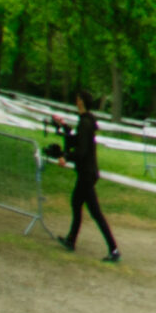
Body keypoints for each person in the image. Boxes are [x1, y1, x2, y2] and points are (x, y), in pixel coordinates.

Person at [51, 92, 119, 262]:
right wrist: (65, 128)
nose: (76, 101)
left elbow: (81, 150)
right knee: (77, 203)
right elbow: (76, 141)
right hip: (87, 172)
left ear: (81, 102)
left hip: (86, 173)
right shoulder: (85, 122)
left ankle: (113, 249)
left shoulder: (85, 123)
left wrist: (66, 157)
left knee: (94, 212)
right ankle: (72, 240)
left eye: (78, 99)